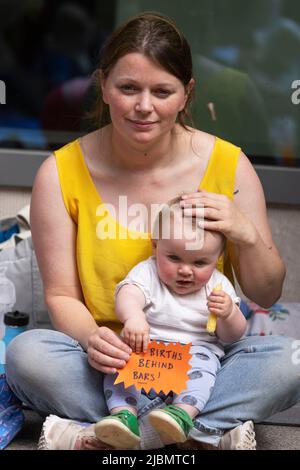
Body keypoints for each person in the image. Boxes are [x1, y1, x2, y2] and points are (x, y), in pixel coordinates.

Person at [5, 12, 299, 451]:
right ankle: (201, 430)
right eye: (128, 88)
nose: (145, 106)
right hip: (114, 361)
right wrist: (92, 339)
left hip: (204, 357)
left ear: (187, 94)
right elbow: (63, 296)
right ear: (104, 86)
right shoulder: (60, 172)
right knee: (26, 356)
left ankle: (109, 436)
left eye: (162, 91)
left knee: (290, 362)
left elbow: (267, 293)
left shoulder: (229, 165)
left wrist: (246, 233)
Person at [95, 198, 247, 449]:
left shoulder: (218, 286)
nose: (186, 270)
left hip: (193, 352)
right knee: (118, 364)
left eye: (199, 263)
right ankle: (124, 415)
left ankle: (181, 415)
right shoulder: (148, 272)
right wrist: (134, 317)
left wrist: (229, 314)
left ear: (218, 258)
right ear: (156, 247)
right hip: (146, 349)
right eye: (174, 258)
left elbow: (233, 336)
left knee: (205, 370)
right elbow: (128, 293)